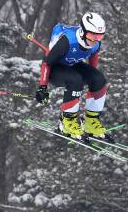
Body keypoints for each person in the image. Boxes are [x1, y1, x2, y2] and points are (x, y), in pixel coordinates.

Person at [35, 12, 109, 140]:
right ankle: (67, 122)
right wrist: (43, 87)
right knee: (75, 81)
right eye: (92, 35)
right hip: (54, 69)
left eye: (99, 36)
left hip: (72, 65)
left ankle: (91, 122)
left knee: (99, 79)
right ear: (83, 31)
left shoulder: (95, 43)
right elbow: (46, 63)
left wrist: (93, 80)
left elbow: (93, 58)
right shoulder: (68, 41)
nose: (95, 40)